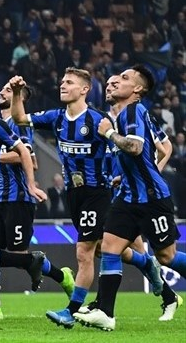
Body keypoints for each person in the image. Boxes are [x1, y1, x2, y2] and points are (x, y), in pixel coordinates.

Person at [75, 66, 186, 331]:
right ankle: (105, 313)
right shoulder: (124, 115)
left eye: (124, 78)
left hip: (151, 198)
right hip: (128, 197)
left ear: (137, 89)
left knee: (167, 256)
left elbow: (135, 148)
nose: (115, 82)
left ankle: (161, 297)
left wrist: (108, 133)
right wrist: (125, 177)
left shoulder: (133, 111)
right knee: (110, 248)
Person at [9, 69, 112, 328]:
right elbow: (19, 117)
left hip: (97, 192)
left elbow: (117, 152)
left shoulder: (98, 120)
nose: (62, 85)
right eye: (62, 81)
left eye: (69, 82)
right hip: (74, 194)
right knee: (104, 249)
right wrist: (18, 93)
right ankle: (151, 270)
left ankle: (71, 311)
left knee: (84, 252)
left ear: (85, 89)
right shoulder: (56, 117)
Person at [0, 81, 74, 320]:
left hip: (18, 198)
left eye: (9, 90)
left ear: (21, 99)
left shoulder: (20, 125)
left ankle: (63, 276)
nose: (2, 91)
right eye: (3, 88)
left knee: (19, 257)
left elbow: (29, 159)